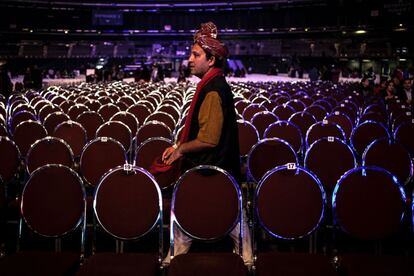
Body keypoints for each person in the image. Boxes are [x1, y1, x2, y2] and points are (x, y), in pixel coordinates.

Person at [160, 21, 252, 266]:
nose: (189, 59)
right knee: (237, 224)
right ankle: (247, 260)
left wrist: (180, 149)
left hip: (211, 174)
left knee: (188, 215)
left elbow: (208, 140)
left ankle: (173, 261)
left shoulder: (212, 90)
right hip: (223, 173)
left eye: (195, 54)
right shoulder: (216, 84)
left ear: (211, 60)